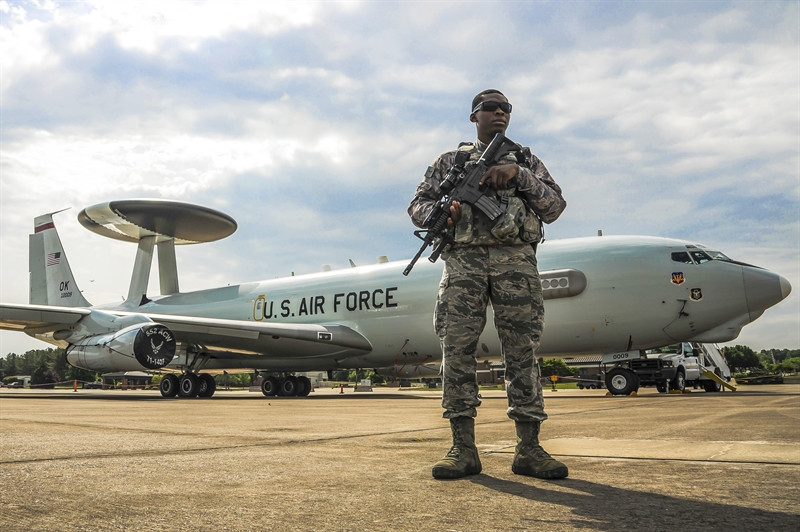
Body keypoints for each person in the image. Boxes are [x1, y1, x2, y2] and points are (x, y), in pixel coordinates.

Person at [408, 89, 568, 480]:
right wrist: (441, 212)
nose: (499, 112)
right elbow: (417, 207)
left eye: (505, 108)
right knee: (456, 350)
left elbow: (555, 207)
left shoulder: (526, 159)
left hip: (516, 260)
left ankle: (529, 449)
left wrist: (521, 176)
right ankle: (462, 448)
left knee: (523, 352)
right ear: (473, 116)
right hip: (464, 261)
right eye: (490, 108)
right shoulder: (449, 161)